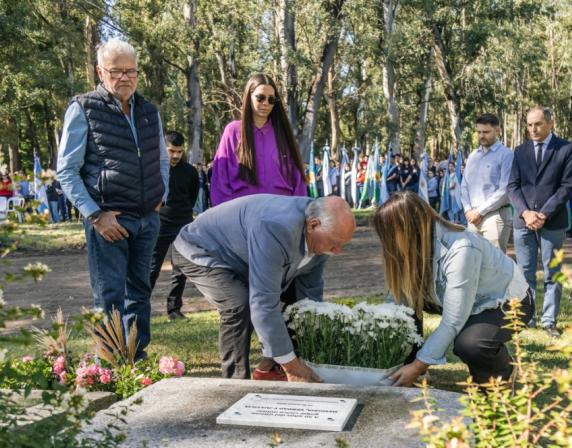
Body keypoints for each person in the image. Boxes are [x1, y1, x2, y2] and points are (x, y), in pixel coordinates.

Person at [57, 38, 169, 359]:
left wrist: (161, 196)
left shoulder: (149, 111)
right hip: (108, 222)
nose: (124, 77)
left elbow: (161, 160)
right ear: (100, 72)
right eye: (116, 71)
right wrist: (95, 215)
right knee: (109, 297)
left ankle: (136, 359)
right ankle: (109, 367)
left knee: (140, 295)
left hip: (147, 219)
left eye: (130, 71)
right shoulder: (83, 108)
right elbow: (67, 171)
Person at [172, 195, 355, 381]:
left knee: (298, 304)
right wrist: (293, 368)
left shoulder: (323, 234)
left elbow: (309, 296)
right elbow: (264, 303)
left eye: (342, 244)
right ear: (313, 225)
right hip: (201, 248)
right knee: (239, 305)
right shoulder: (276, 227)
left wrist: (313, 349)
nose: (337, 251)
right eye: (335, 242)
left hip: (241, 255)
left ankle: (270, 368)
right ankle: (236, 385)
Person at [372, 192, 533, 387]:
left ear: (409, 229)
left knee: (470, 344)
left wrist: (417, 367)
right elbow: (397, 303)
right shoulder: (414, 245)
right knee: (404, 311)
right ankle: (408, 369)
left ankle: (500, 377)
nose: (386, 243)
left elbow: (453, 320)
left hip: (507, 301)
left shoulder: (461, 248)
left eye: (389, 235)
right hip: (461, 299)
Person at [507, 106, 572, 337]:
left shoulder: (565, 148)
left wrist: (543, 214)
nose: (533, 129)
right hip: (523, 222)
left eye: (537, 124)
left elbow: (566, 187)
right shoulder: (520, 151)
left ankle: (549, 321)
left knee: (552, 273)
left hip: (552, 221)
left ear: (550, 123)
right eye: (529, 125)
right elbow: (513, 186)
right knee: (524, 273)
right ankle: (527, 318)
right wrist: (526, 213)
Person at [210, 74, 306, 206]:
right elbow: (220, 179)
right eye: (260, 98)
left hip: (280, 212)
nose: (265, 103)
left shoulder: (283, 134)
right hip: (242, 214)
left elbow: (297, 179)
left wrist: (299, 211)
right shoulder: (233, 131)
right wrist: (226, 215)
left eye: (271, 99)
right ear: (249, 96)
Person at [149, 131, 200, 320]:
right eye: (171, 151)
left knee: (180, 270)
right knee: (152, 268)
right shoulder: (155, 169)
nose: (176, 155)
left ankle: (174, 309)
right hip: (160, 225)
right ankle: (141, 308)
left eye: (179, 151)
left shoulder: (190, 172)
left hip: (183, 225)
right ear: (164, 148)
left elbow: (193, 196)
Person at [461, 113, 514, 253]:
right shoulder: (472, 156)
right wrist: (468, 210)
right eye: (478, 132)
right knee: (474, 263)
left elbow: (504, 190)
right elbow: (464, 186)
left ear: (497, 130)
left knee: (495, 266)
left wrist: (479, 211)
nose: (481, 136)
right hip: (472, 218)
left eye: (486, 132)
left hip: (495, 216)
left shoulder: (506, 155)